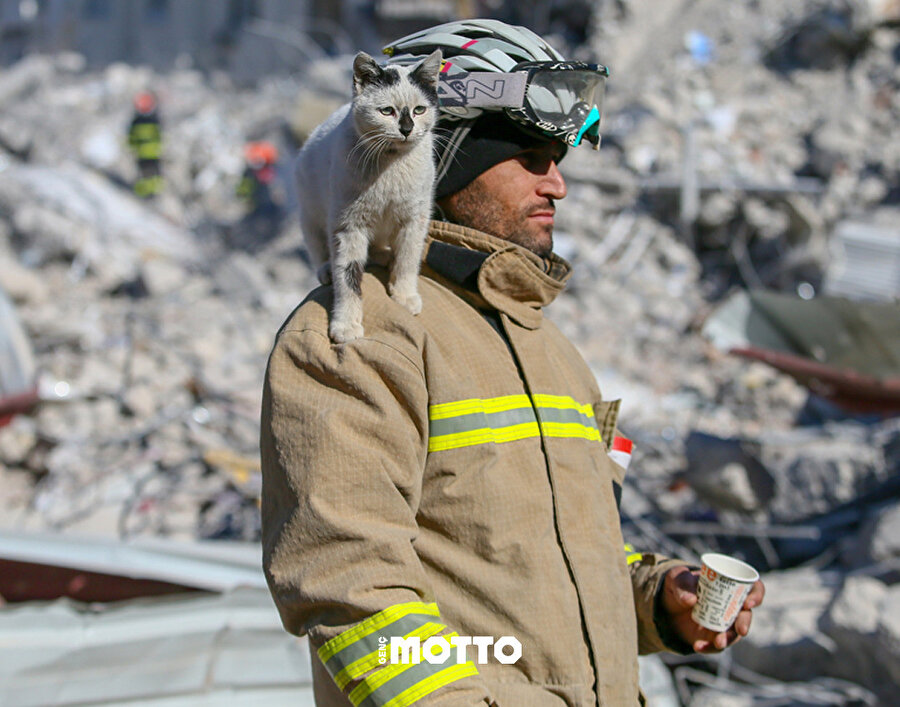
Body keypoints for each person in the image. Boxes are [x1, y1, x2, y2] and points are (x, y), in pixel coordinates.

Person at [261, 19, 764, 707]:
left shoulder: (549, 350)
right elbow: (350, 586)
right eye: (530, 157)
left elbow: (545, 562)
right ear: (444, 155)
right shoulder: (359, 337)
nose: (556, 184)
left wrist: (655, 601)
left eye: (558, 158)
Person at [128, 91, 163, 198]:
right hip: (144, 154)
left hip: (151, 154)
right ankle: (143, 196)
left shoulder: (152, 119)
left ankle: (153, 196)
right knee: (144, 175)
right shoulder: (138, 120)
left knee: (152, 176)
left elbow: (160, 136)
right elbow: (131, 138)